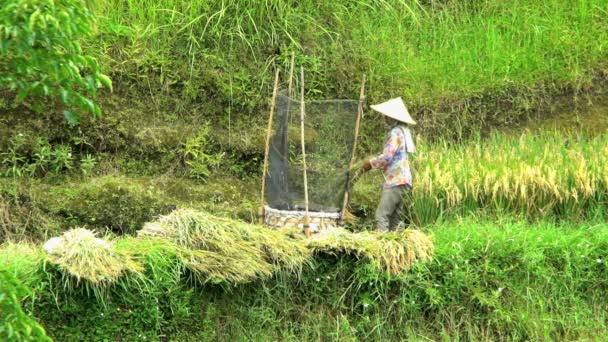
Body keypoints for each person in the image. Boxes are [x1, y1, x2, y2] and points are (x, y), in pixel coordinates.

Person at [361, 97, 416, 232]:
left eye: (387, 116)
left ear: (393, 117)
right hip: (404, 181)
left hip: (395, 181)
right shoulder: (404, 131)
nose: (384, 118)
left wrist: (370, 164)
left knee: (381, 215)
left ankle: (382, 247)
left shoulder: (395, 133)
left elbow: (386, 157)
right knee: (395, 219)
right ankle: (398, 248)